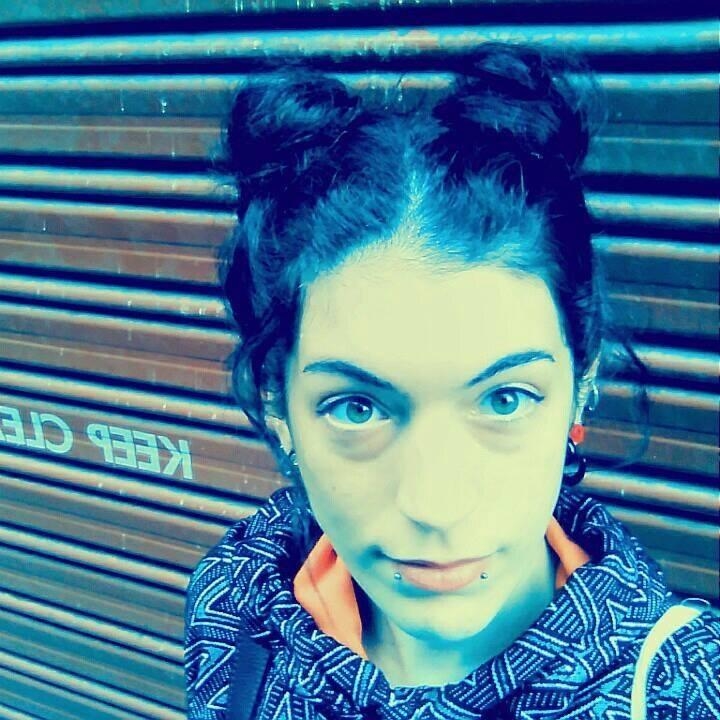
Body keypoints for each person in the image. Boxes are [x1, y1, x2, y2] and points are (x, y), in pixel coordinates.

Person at [184, 45, 719, 719]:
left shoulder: (679, 691)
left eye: (505, 399)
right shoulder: (235, 604)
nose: (436, 506)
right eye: (356, 408)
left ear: (580, 386)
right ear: (277, 404)